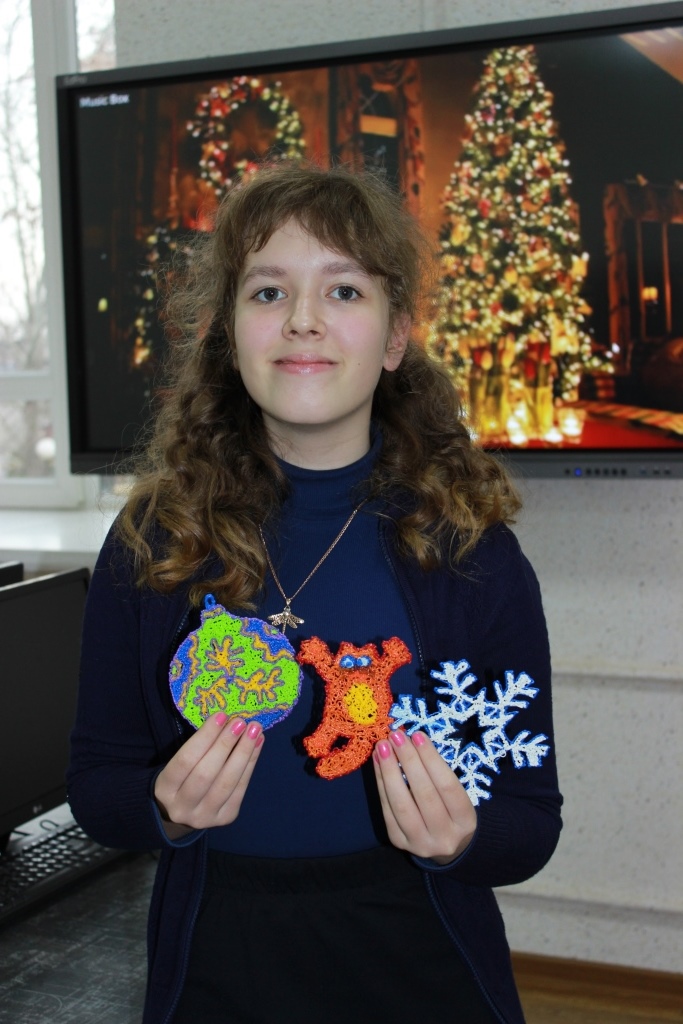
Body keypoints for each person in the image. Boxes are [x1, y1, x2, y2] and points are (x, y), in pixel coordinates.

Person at [68, 163, 562, 1024]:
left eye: (343, 290)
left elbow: (530, 820)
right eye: (267, 292)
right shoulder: (154, 540)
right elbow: (96, 783)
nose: (302, 319)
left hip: (419, 955)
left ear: (395, 336)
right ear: (229, 334)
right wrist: (163, 811)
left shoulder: (471, 553)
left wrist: (463, 839)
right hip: (218, 955)